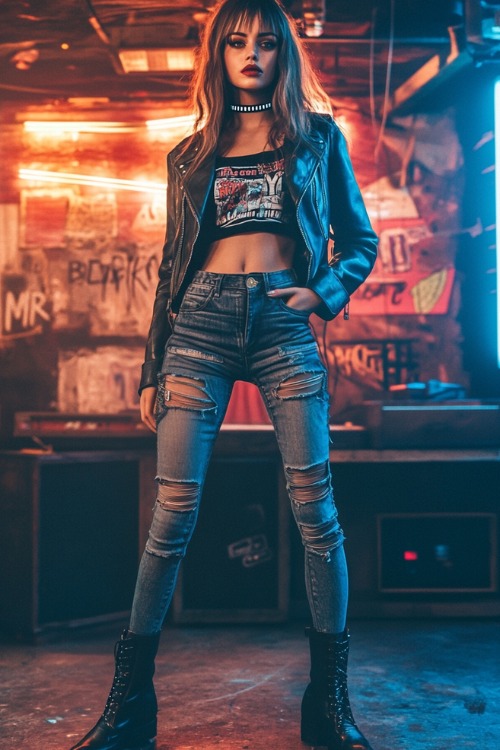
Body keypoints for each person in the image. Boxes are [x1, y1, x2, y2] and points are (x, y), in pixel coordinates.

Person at [68, 1, 378, 748]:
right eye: (236, 41)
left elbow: (360, 241)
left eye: (266, 42)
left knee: (317, 513)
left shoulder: (316, 139)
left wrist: (324, 292)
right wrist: (150, 369)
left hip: (281, 325)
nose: (251, 53)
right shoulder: (191, 154)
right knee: (171, 516)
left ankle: (328, 707)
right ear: (219, 54)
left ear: (283, 56)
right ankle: (128, 707)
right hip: (199, 328)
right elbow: (172, 269)